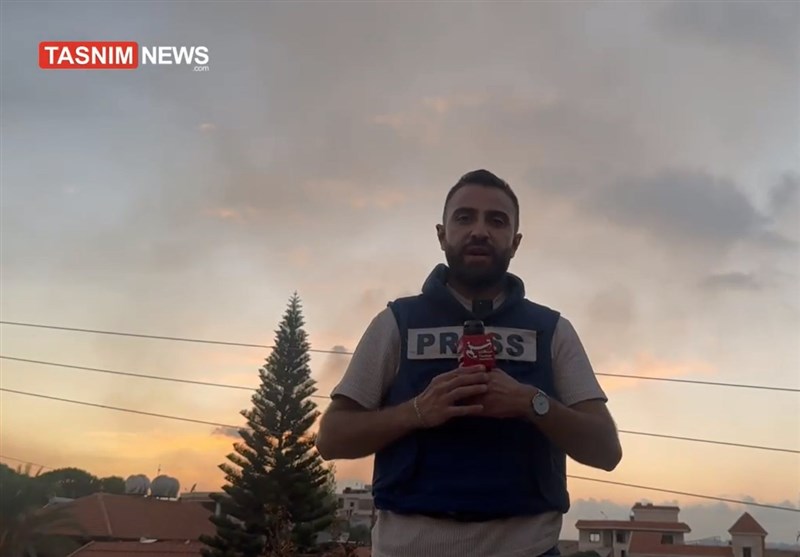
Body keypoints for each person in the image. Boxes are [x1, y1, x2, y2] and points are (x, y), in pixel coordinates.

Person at [315, 169, 622, 557]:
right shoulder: (396, 323)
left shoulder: (552, 330)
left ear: (515, 242)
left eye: (497, 221)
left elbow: (606, 451)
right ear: (442, 234)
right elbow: (331, 438)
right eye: (465, 218)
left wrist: (532, 403)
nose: (480, 231)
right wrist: (416, 412)